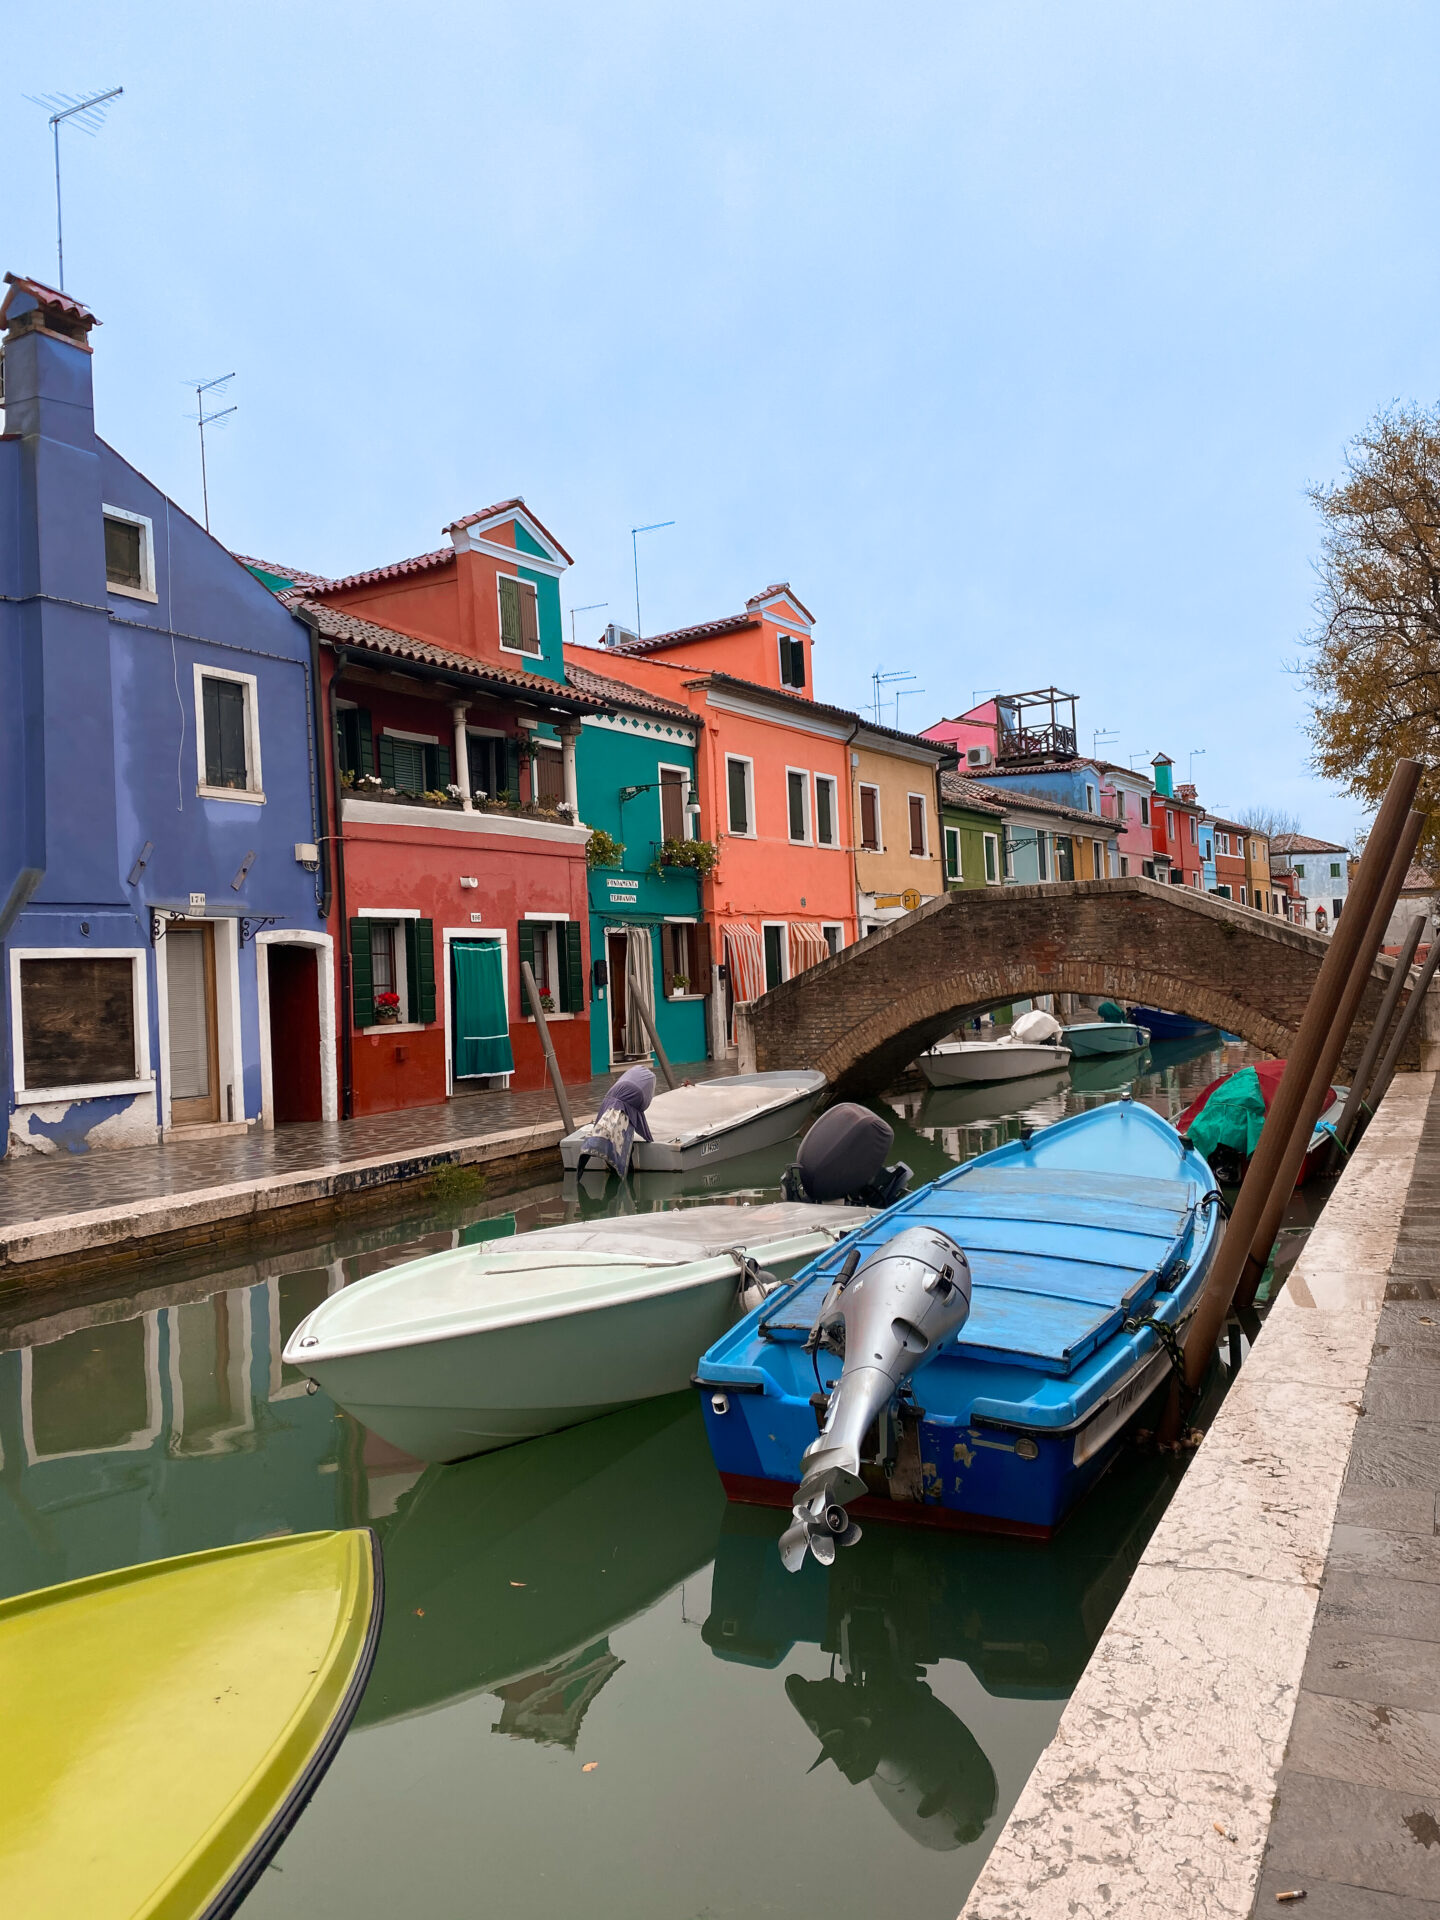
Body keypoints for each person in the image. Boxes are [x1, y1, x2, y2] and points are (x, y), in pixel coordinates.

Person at [575, 1065, 655, 1180]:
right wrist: (649, 1139)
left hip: (613, 1094)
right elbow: (640, 1115)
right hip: (631, 1096)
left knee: (604, 1129)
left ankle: (591, 1151)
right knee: (622, 1138)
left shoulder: (621, 1086)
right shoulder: (647, 1082)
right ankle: (622, 1169)